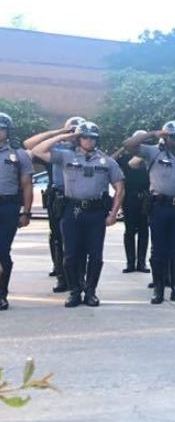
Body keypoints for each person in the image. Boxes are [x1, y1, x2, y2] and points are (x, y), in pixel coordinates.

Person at [32, 122, 125, 308]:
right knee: (70, 255)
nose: (89, 140)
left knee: (96, 256)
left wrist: (114, 213)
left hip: (96, 213)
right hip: (72, 212)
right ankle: (75, 291)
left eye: (92, 137)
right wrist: (64, 136)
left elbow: (120, 188)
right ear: (78, 139)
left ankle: (90, 292)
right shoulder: (66, 156)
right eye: (84, 137)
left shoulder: (106, 161)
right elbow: (37, 150)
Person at [123, 122, 175, 304]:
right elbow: (128, 144)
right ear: (165, 137)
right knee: (158, 250)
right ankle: (158, 289)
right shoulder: (153, 152)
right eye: (172, 136)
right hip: (159, 206)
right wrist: (153, 133)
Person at [23, 116, 85, 293]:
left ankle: (79, 277)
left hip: (79, 199)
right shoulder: (56, 149)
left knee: (80, 241)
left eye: (78, 130)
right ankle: (61, 276)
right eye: (71, 129)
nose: (75, 133)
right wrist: (60, 133)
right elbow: (29, 145)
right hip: (58, 199)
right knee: (58, 239)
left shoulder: (86, 150)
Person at [0, 112, 34, 311]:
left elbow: (27, 184)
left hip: (8, 206)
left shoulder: (19, 154)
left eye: (2, 128)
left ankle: (2, 293)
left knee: (3, 250)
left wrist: (26, 212)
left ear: (8, 131)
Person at [113, 136, 150, 275]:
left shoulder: (148, 158)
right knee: (129, 232)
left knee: (144, 231)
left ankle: (141, 262)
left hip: (145, 197)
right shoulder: (125, 158)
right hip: (130, 197)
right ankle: (130, 262)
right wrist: (123, 148)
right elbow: (111, 160)